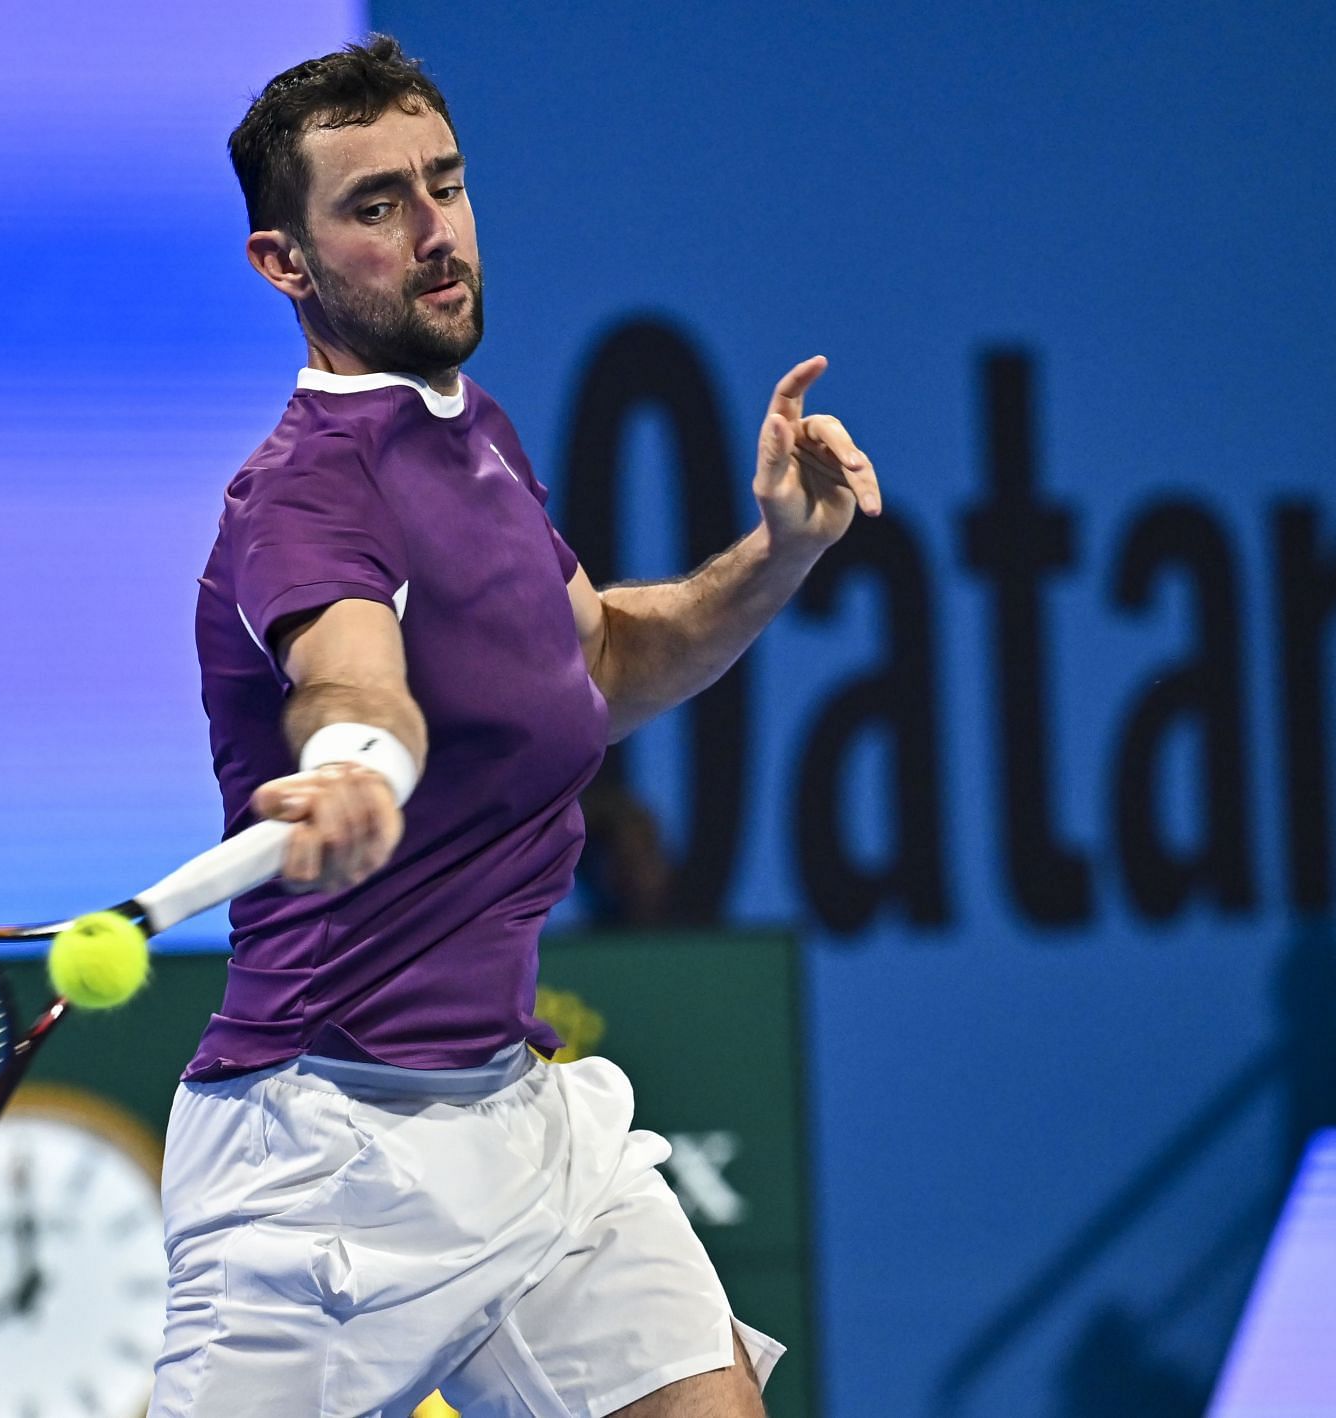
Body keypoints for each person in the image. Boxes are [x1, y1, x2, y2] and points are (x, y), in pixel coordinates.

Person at [153, 35, 880, 1418]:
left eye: (447, 183)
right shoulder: (299, 498)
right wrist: (358, 760)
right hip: (325, 1170)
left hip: (519, 1119)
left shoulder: (470, 430)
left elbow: (597, 662)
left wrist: (780, 552)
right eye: (375, 206)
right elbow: (352, 676)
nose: (435, 233)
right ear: (282, 262)